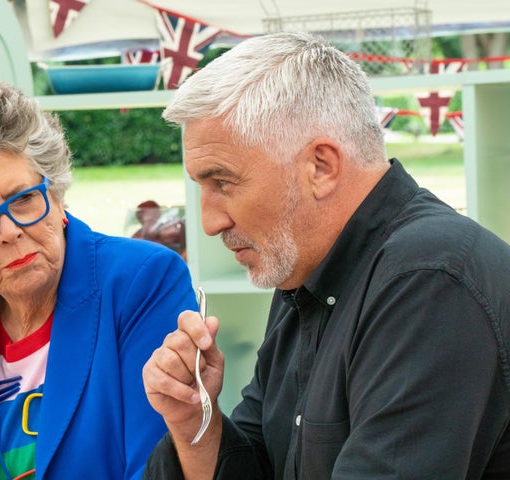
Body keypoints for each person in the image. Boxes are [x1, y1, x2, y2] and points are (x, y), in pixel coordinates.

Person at [142, 32, 510, 479]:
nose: (209, 222)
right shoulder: (305, 266)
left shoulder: (428, 279)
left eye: (223, 182)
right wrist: (192, 421)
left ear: (321, 166)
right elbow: (261, 464)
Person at [0, 79, 198, 479]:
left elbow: (157, 468)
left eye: (23, 199)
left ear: (57, 196)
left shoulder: (141, 281)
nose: (10, 230)